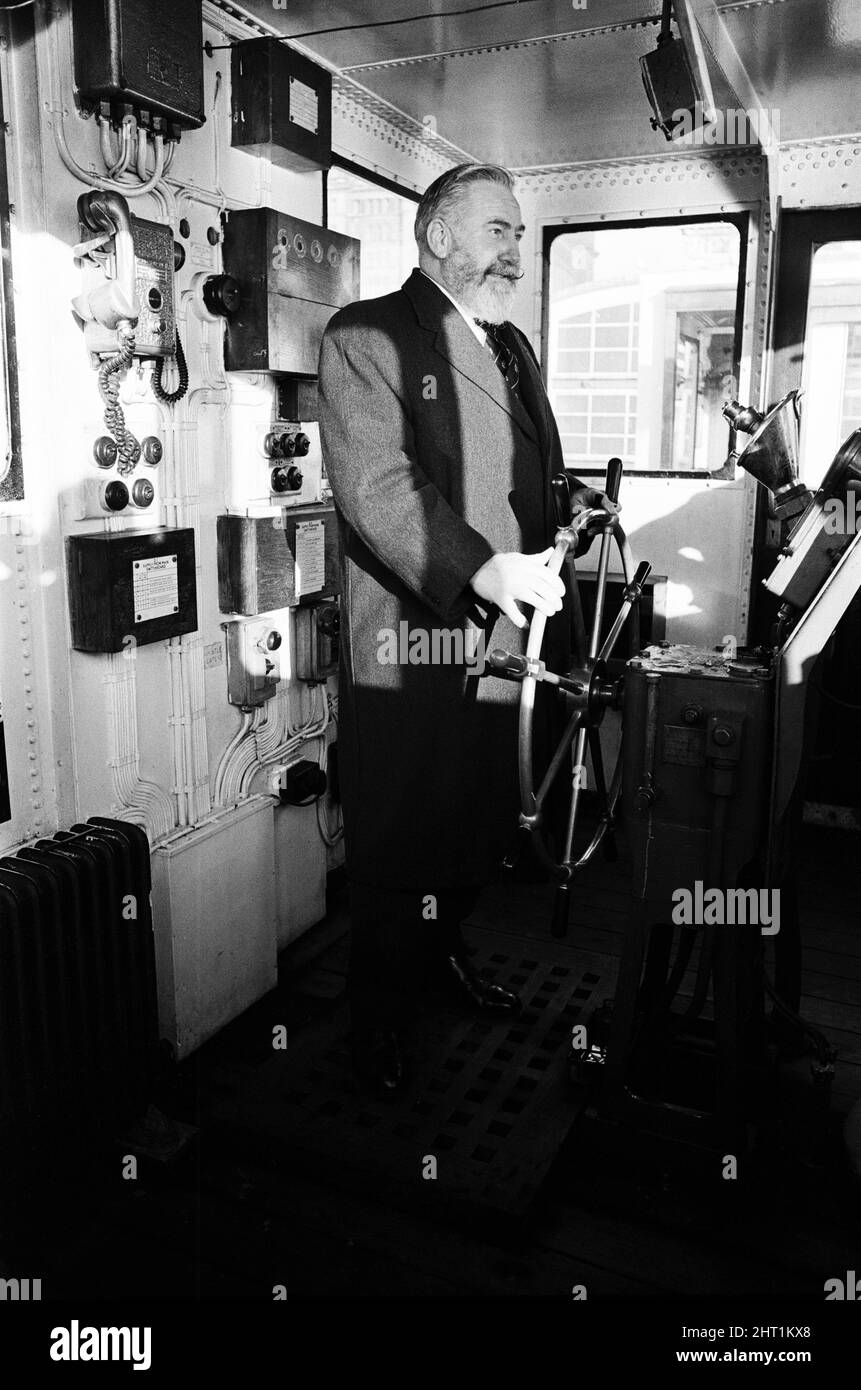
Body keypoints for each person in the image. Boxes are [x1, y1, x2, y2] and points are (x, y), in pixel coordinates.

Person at [317, 163, 609, 1092]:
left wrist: (573, 510)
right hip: (415, 637)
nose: (513, 251)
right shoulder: (367, 335)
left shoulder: (511, 347)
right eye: (497, 230)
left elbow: (531, 471)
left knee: (482, 812)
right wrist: (480, 567)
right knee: (404, 830)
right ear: (438, 234)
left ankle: (438, 959)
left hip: (506, 635)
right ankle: (375, 1023)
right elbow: (376, 487)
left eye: (519, 235)